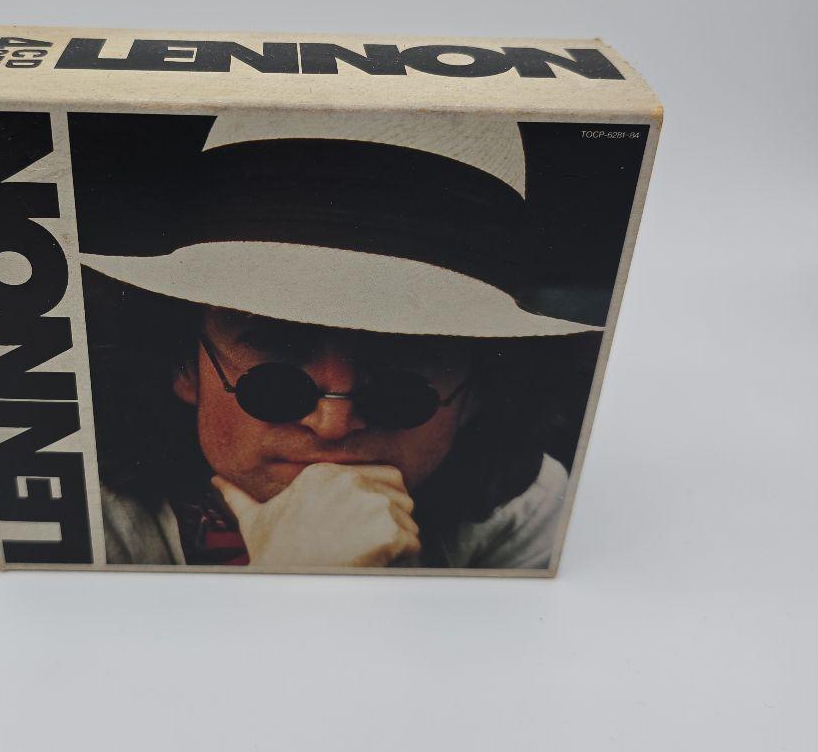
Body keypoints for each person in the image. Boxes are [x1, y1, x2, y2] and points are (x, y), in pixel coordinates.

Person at [81, 112, 601, 570]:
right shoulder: (85, 515)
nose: (332, 424)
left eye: (401, 370)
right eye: (278, 362)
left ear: (477, 393)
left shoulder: (523, 510)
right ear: (184, 364)